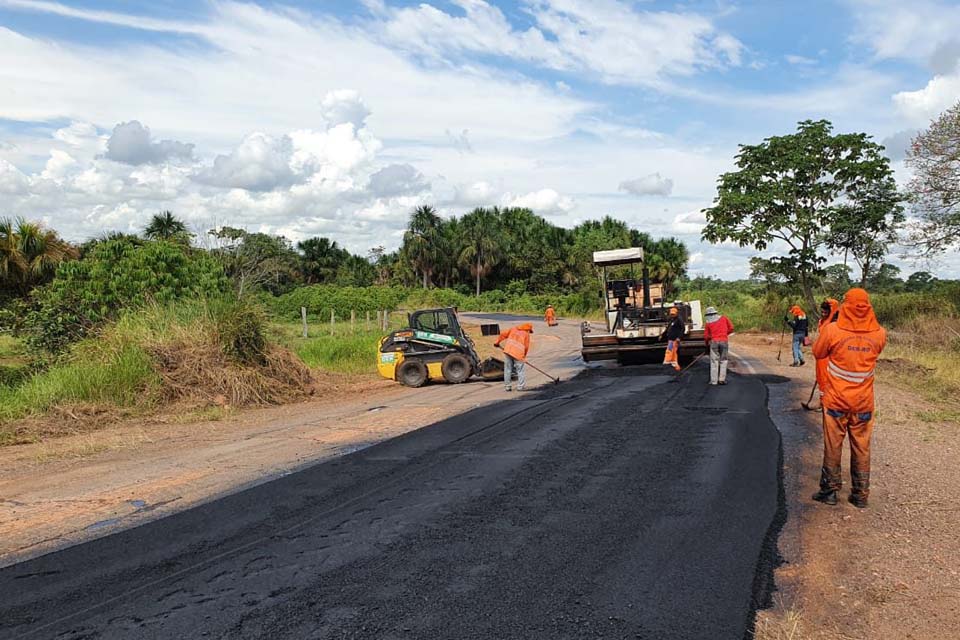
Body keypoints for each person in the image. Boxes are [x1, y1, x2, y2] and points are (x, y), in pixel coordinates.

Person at [811, 288, 886, 508]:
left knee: (833, 444)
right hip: (863, 402)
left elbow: (818, 353)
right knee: (862, 446)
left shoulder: (833, 330)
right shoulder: (880, 333)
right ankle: (861, 495)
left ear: (846, 306)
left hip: (836, 401)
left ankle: (830, 491)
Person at [494, 322, 533, 392]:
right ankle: (520, 387)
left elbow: (502, 334)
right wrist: (524, 356)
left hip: (508, 351)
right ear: (528, 329)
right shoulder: (526, 334)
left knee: (508, 369)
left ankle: (507, 386)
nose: (529, 332)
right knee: (520, 370)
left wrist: (497, 342)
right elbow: (526, 347)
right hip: (518, 353)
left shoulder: (513, 329)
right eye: (529, 331)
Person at [815, 298, 840, 396]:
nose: (823, 313)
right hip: (821, 355)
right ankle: (822, 401)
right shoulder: (822, 321)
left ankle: (827, 402)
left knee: (828, 379)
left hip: (830, 356)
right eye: (822, 311)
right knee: (821, 378)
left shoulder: (835, 323)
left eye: (826, 311)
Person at [703, 306, 734, 385]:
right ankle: (722, 379)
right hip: (724, 341)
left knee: (714, 361)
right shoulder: (724, 318)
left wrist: (707, 345)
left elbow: (706, 336)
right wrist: (724, 334)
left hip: (714, 342)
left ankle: (714, 381)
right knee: (723, 360)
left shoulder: (708, 323)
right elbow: (731, 328)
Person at [661, 306, 685, 371]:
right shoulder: (672, 320)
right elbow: (668, 328)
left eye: (673, 314)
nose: (672, 315)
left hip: (674, 339)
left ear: (677, 313)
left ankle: (666, 363)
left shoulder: (679, 320)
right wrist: (662, 335)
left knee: (670, 350)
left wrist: (679, 337)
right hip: (671, 339)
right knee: (673, 352)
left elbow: (682, 329)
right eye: (671, 314)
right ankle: (675, 365)